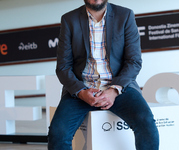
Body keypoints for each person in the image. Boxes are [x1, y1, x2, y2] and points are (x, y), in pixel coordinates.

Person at [48, 0, 159, 149]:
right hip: (81, 90)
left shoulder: (125, 15)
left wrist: (114, 90)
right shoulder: (69, 19)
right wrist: (81, 92)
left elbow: (134, 61)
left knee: (146, 122)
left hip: (120, 89)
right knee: (58, 133)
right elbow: (63, 67)